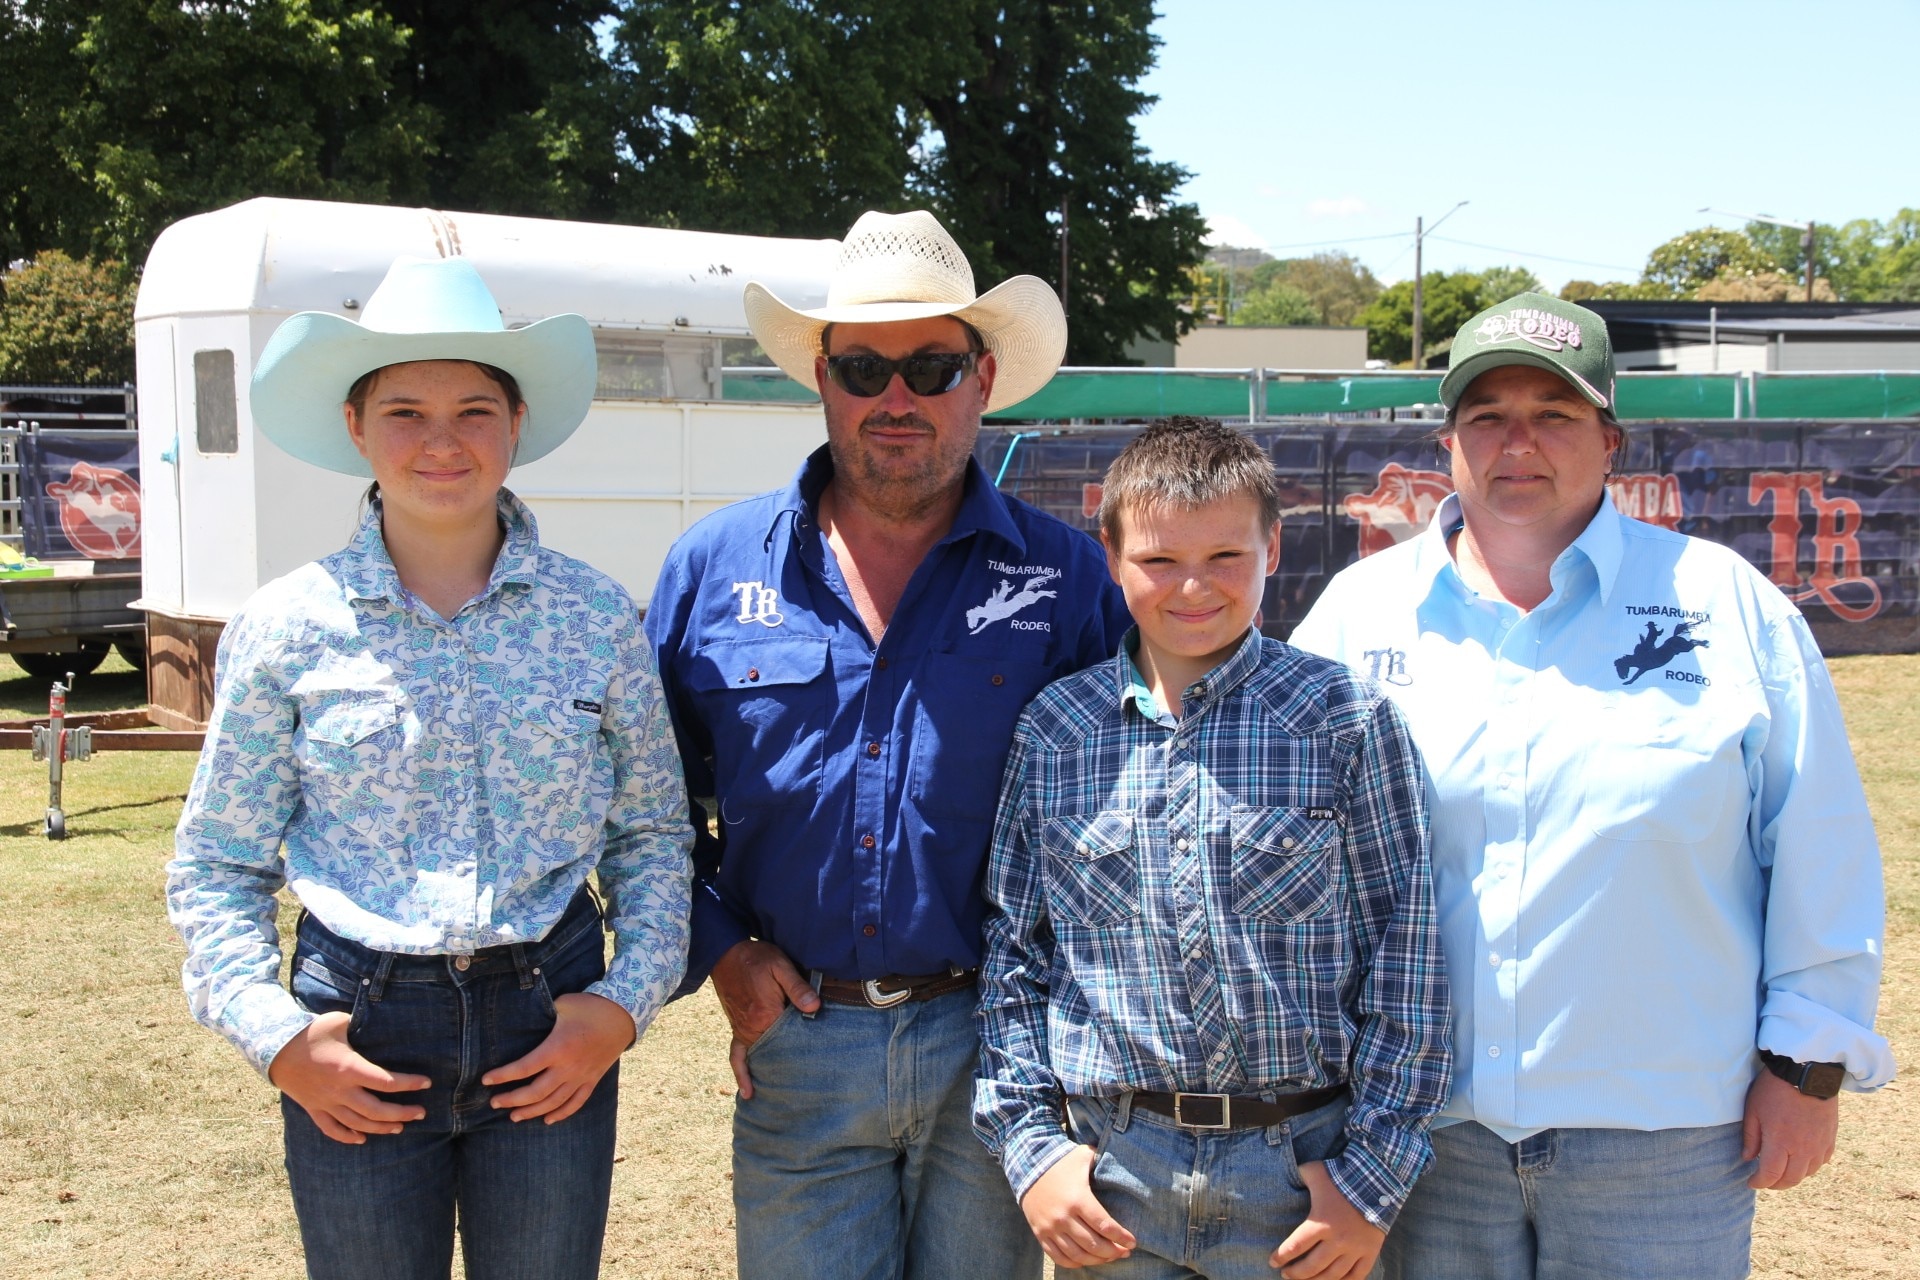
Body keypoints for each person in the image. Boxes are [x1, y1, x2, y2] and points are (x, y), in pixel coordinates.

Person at [1290, 292, 1895, 1280]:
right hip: (1425, 1138)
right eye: (1488, 414)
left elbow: (1818, 843)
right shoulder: (1359, 616)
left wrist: (1806, 1065)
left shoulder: (1726, 604)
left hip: (1663, 1140)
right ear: (1449, 442)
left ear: (1611, 440)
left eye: (1555, 413)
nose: (1518, 441)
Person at [166, 256, 694, 1280]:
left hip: (548, 1014)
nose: (441, 441)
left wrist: (623, 1003)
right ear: (356, 428)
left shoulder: (595, 617)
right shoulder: (287, 627)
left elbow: (651, 833)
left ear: (516, 423)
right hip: (357, 1021)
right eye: (404, 412)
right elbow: (219, 861)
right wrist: (276, 1036)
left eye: (473, 411)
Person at [644, 208, 1130, 1279]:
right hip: (800, 1038)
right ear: (823, 378)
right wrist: (721, 949)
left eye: (932, 366)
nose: (897, 397)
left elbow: (1132, 812)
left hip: (1000, 1044)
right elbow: (640, 806)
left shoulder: (1067, 580)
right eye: (865, 367)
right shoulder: (711, 570)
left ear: (983, 378)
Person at [974, 418, 1451, 1280]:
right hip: (1113, 1177)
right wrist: (1031, 1149)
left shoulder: (1345, 722)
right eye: (1158, 559)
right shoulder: (1055, 732)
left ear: (1274, 547)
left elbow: (1408, 953)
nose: (1193, 586)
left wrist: (1370, 1180)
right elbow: (1015, 953)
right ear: (1111, 556)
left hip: (1304, 1178)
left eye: (1226, 556)